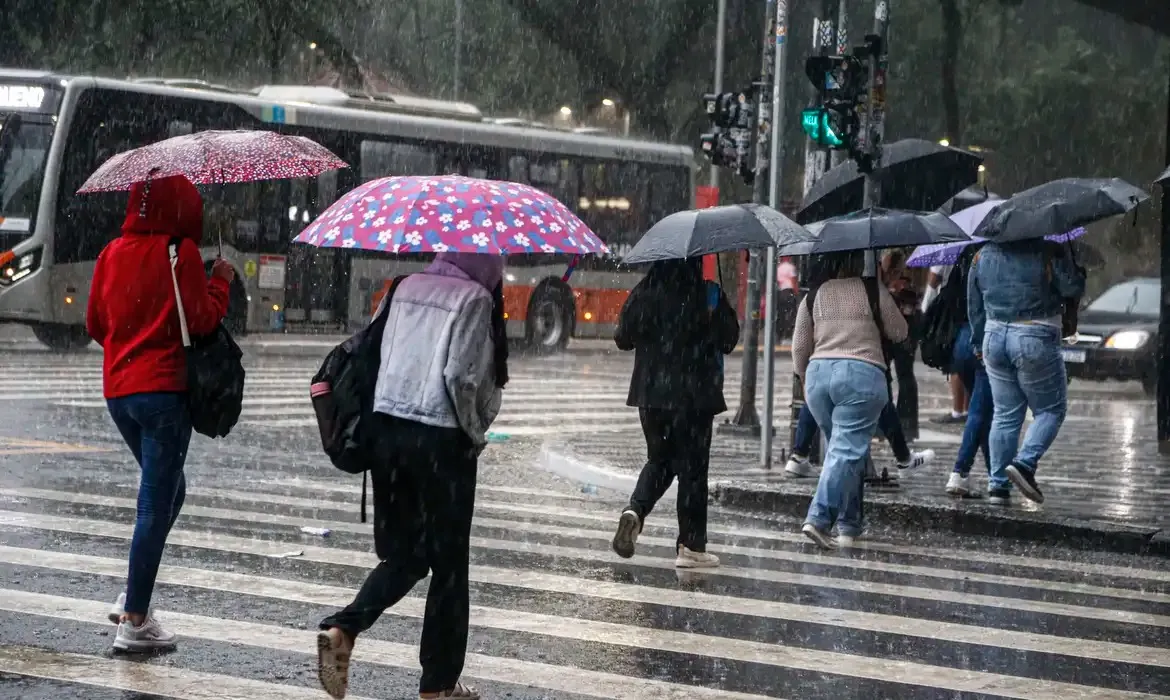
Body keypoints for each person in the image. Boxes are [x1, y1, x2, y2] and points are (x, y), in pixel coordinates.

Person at [316, 252, 507, 700]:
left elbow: (373, 354)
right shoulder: (475, 298)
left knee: (406, 554)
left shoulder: (404, 287)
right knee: (449, 566)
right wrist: (476, 432)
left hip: (387, 433)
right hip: (441, 439)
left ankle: (343, 628)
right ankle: (437, 685)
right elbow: (461, 377)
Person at [86, 174, 233, 652]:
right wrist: (220, 283)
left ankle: (134, 590)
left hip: (119, 393)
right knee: (154, 504)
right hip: (165, 393)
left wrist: (129, 339)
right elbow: (203, 320)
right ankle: (134, 620)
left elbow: (94, 323)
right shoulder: (179, 250)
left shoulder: (111, 252)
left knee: (172, 489)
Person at [610, 258, 738, 568]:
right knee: (693, 470)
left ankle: (635, 510)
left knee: (660, 459)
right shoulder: (707, 293)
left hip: (651, 394)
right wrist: (717, 308)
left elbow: (622, 338)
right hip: (694, 396)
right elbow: (729, 341)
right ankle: (691, 546)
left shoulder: (645, 292)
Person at [792, 251, 908, 548]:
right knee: (845, 451)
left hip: (819, 379)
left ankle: (849, 524)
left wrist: (805, 379)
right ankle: (818, 519)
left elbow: (799, 346)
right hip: (860, 375)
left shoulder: (814, 295)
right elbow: (899, 331)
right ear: (860, 264)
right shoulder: (871, 289)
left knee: (844, 451)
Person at [968, 239, 1085, 504]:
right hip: (1035, 332)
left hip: (994, 334)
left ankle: (998, 485)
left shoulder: (982, 255)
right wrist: (1074, 267)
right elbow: (1071, 287)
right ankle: (1024, 464)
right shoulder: (1049, 250)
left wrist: (978, 341)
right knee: (1050, 410)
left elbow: (974, 302)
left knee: (1005, 414)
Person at [881, 249, 922, 440]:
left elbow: (911, 304)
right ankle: (887, 422)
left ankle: (905, 425)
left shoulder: (907, 285)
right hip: (890, 333)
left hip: (904, 332)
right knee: (885, 375)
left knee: (903, 376)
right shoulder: (881, 279)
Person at [923, 264, 969, 424]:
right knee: (969, 359)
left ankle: (958, 410)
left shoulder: (948, 245)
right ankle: (967, 408)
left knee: (955, 361)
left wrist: (925, 309)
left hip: (952, 309)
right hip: (971, 304)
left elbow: (934, 279)